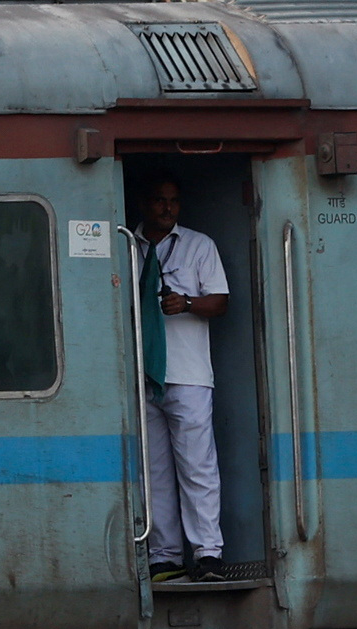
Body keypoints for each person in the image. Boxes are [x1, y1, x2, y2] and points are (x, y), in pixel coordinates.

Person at [137, 176, 229, 583]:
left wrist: (187, 303)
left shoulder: (198, 244)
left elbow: (221, 301)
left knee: (197, 466)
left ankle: (208, 552)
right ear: (146, 202)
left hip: (188, 374)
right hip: (144, 374)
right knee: (154, 469)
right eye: (159, 200)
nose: (167, 208)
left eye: (174, 201)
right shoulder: (127, 244)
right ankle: (165, 556)